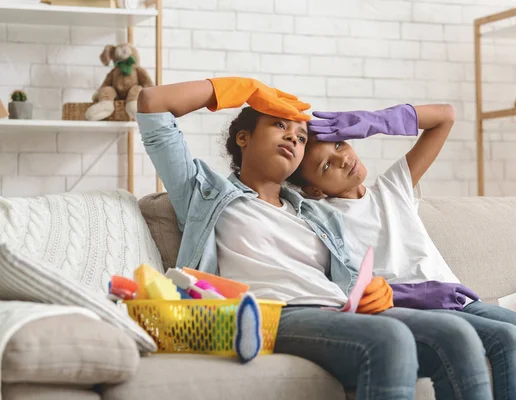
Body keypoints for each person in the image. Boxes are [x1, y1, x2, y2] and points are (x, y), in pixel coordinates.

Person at [136, 77, 494, 400]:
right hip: (273, 313)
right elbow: (153, 103)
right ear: (243, 138)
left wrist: (377, 290)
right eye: (279, 125)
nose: (294, 136)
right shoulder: (204, 194)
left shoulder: (317, 214)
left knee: (457, 337)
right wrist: (245, 89)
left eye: (301, 136)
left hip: (336, 311)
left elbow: (353, 279)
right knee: (390, 339)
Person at [288, 102, 516, 400]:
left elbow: (445, 118)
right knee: (509, 340)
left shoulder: (392, 188)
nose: (342, 158)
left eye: (339, 144)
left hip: (460, 301)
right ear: (314, 190)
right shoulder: (322, 218)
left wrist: (374, 121)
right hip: (415, 311)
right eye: (325, 166)